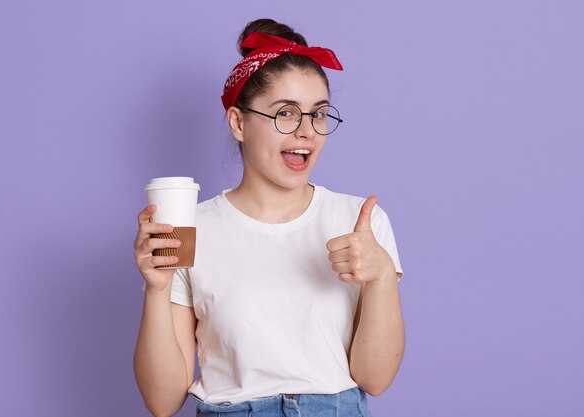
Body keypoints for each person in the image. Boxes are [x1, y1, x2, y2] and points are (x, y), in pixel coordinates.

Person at [133, 18, 405, 417]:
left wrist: (381, 277)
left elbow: (375, 379)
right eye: (286, 114)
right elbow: (162, 401)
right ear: (238, 123)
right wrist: (157, 289)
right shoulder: (190, 229)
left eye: (318, 114)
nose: (306, 131)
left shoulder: (359, 221)